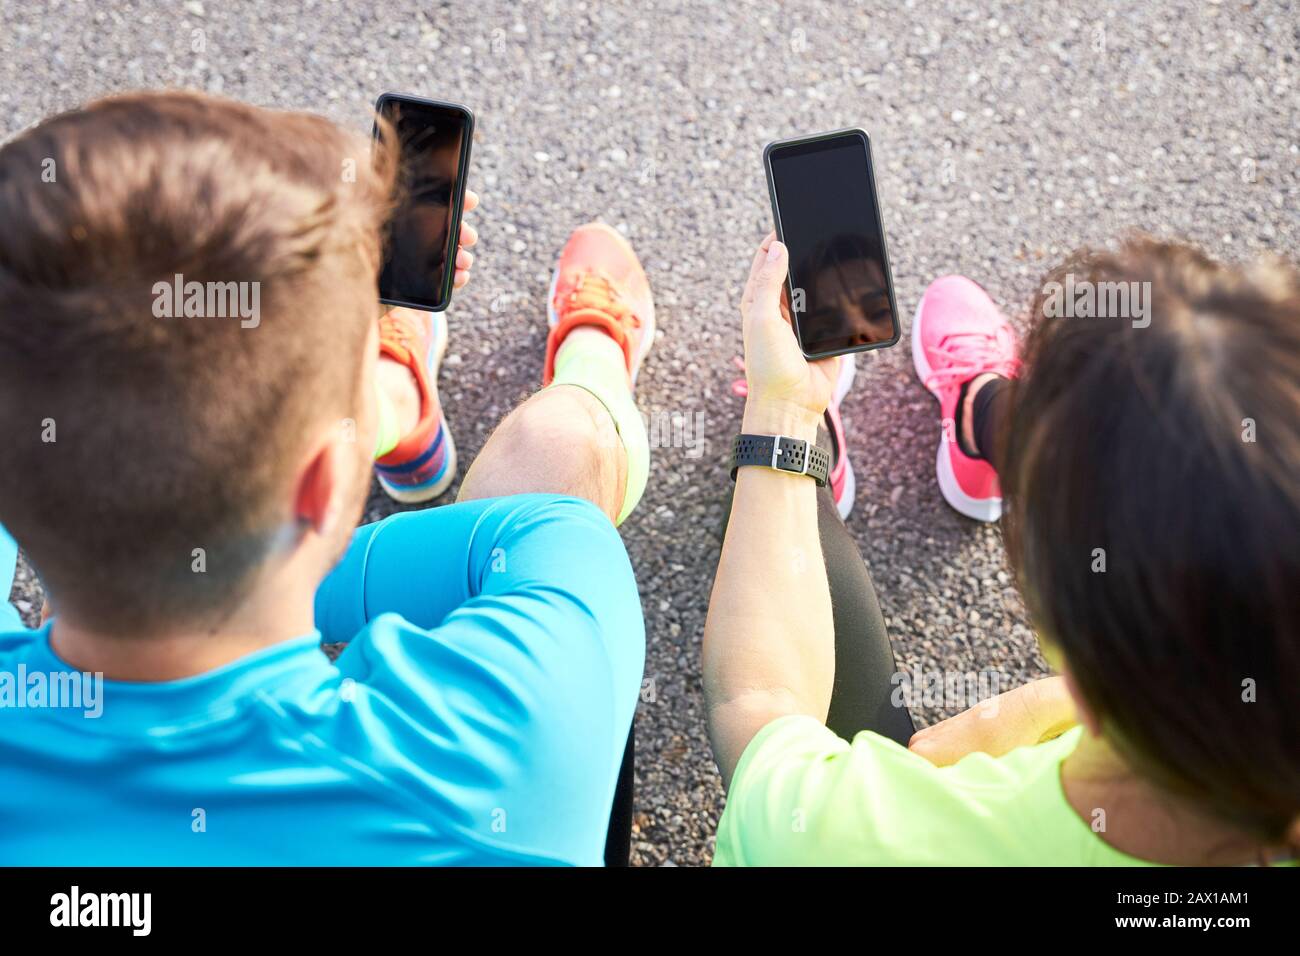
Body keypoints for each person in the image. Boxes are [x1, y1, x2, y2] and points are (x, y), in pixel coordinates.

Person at [0, 90, 656, 866]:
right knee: (562, 436)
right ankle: (578, 351)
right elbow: (543, 527)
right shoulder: (496, 751)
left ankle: (396, 397)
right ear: (320, 485)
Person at [705, 232, 1299, 865]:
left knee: (779, 523)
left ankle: (924, 423)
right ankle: (983, 416)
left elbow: (758, 704)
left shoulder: (839, 841)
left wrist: (783, 409)